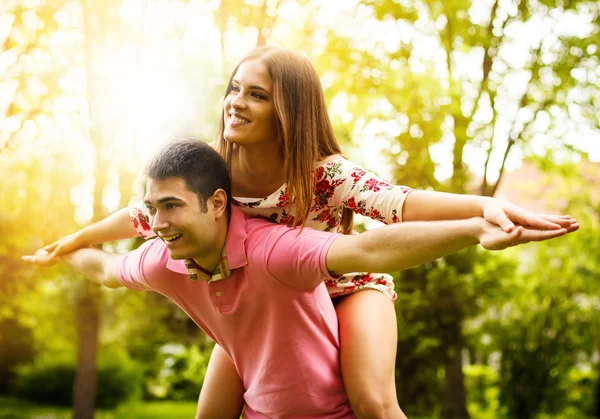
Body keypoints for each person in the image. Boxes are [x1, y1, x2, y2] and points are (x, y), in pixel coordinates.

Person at [31, 47, 577, 418]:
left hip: (348, 285)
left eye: (256, 95)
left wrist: (487, 209)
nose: (235, 103)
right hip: (268, 302)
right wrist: (77, 240)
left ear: (287, 109)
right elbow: (142, 215)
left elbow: (400, 206)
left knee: (371, 399)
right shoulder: (214, 169)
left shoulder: (322, 172)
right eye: (234, 88)